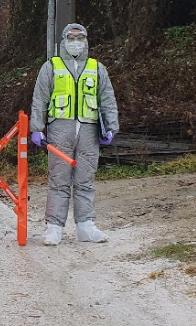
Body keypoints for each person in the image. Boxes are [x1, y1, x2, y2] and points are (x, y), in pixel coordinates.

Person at [30, 23, 119, 246]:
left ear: (86, 41)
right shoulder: (51, 67)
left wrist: (110, 126)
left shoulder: (96, 68)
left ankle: (86, 226)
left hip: (89, 128)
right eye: (71, 38)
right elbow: (40, 98)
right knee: (59, 178)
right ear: (63, 40)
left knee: (85, 179)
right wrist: (36, 128)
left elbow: (107, 98)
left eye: (80, 38)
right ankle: (54, 227)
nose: (76, 42)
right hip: (60, 127)